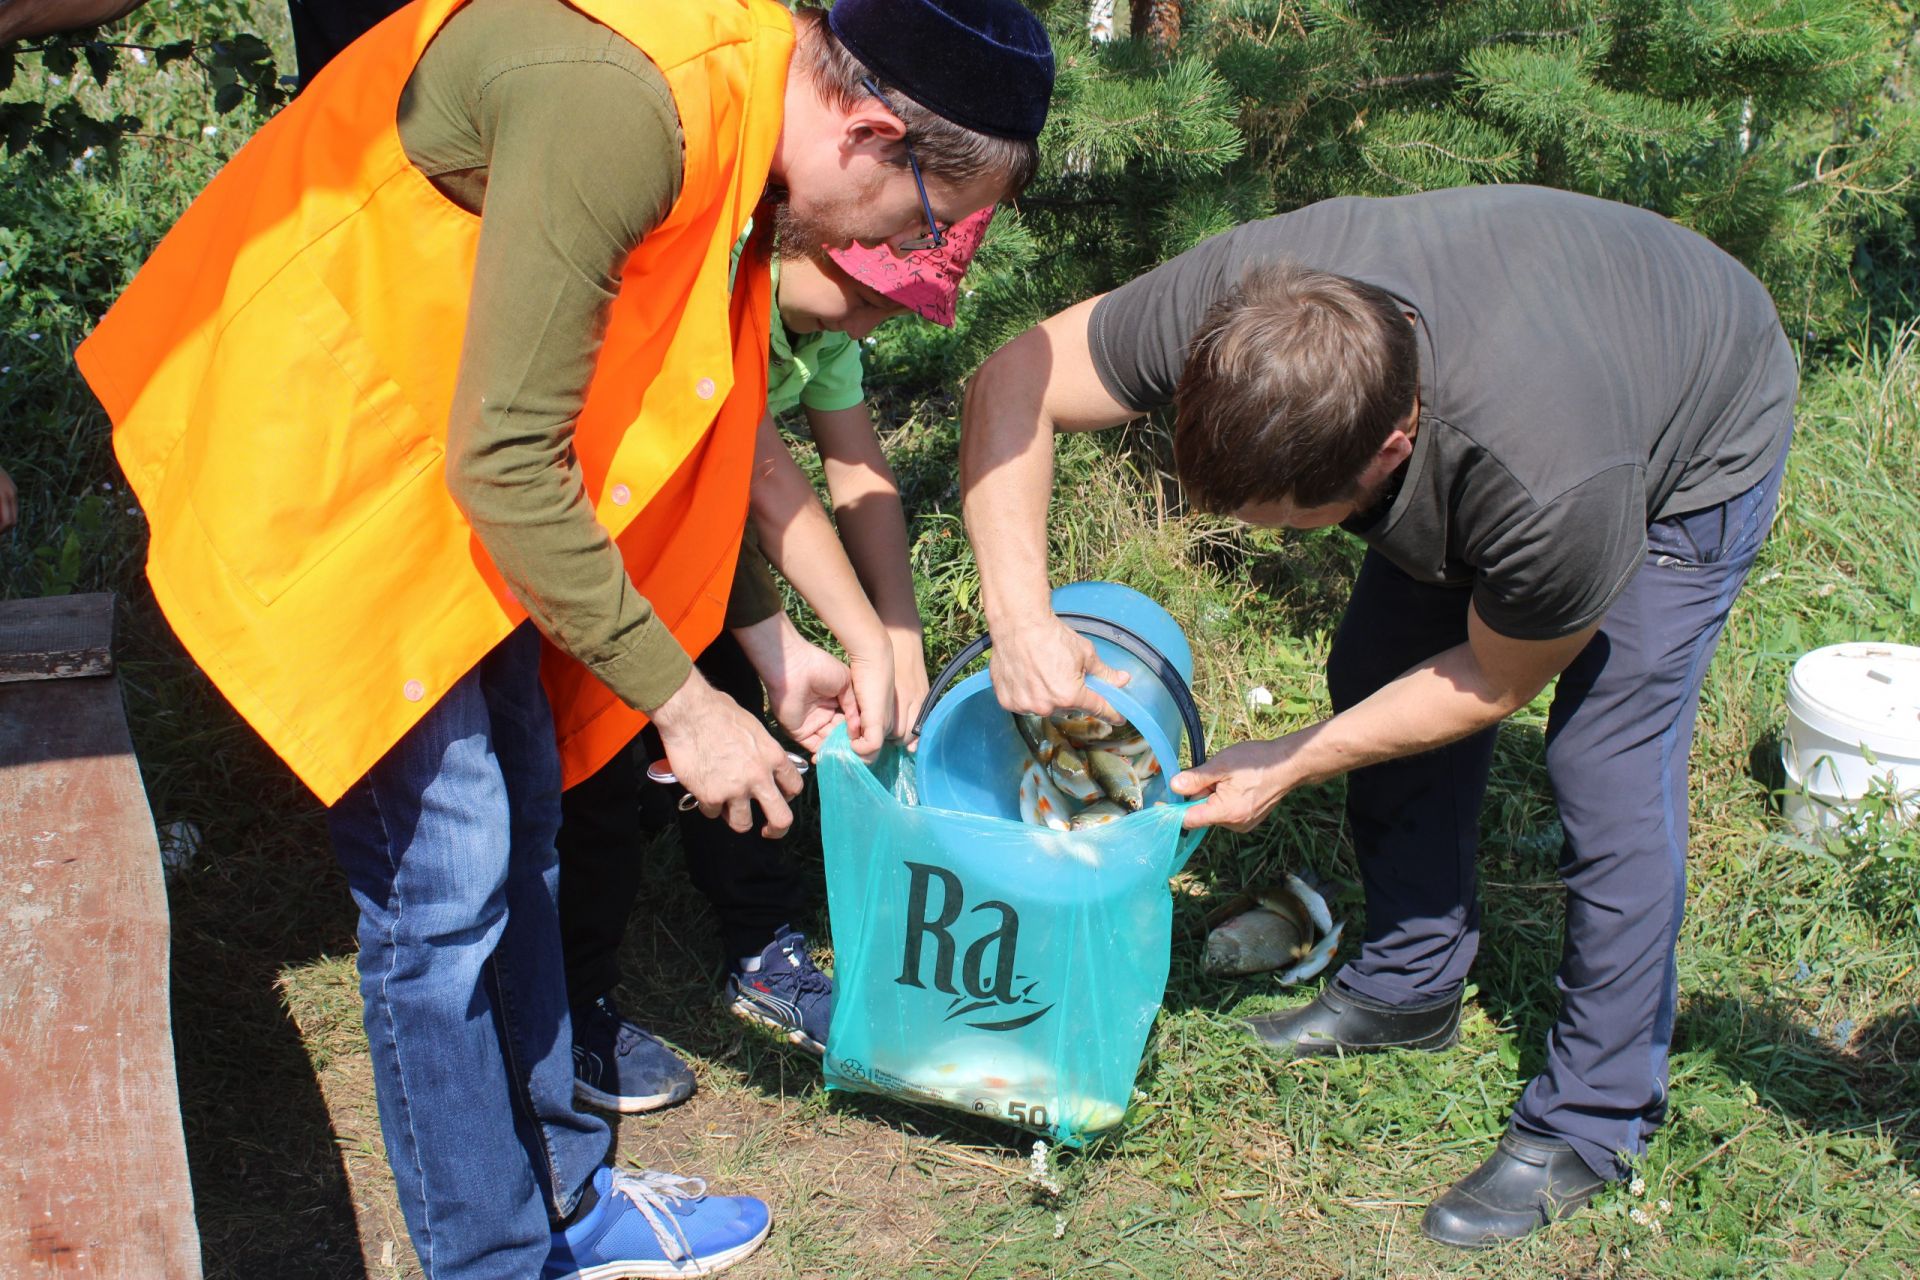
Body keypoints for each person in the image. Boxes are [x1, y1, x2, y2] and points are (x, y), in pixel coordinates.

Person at [75, 0, 1054, 1274]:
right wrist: (683, 702)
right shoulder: (628, 105)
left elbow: (660, 411)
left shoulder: (747, 128)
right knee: (446, 879)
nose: (908, 250)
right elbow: (507, 464)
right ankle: (489, 1255)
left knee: (524, 820)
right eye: (929, 219)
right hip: (332, 445)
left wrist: (763, 643)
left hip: (460, 470)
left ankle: (565, 1197)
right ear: (872, 134)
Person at [956, 185, 1794, 1248]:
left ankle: (1596, 1114)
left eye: (1292, 522)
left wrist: (1294, 758)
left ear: (1390, 453)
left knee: (1606, 769)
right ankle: (1411, 982)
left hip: (1692, 423)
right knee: (1375, 664)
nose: (1270, 539)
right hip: (1533, 358)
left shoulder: (1545, 487)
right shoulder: (1251, 308)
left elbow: (1494, 677)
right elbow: (1016, 373)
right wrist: (1020, 615)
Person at [561, 213, 992, 1103]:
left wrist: (897, 634)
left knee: (741, 726)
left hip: (699, 550)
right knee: (592, 774)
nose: (871, 324)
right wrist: (843, 639)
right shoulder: (718, 291)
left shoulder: (816, 330)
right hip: (597, 537)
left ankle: (759, 945)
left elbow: (856, 470)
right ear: (806, 237)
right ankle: (569, 1005)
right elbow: (752, 478)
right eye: (867, 295)